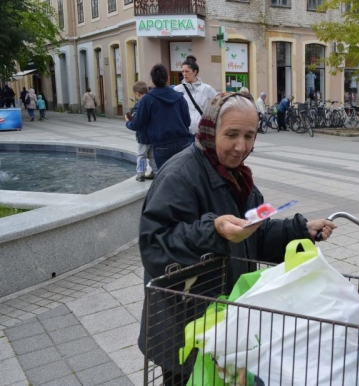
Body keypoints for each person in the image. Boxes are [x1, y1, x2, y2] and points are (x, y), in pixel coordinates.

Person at [136, 91, 337, 384]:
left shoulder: (239, 178)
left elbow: (254, 235)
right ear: (210, 129)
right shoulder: (179, 175)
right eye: (231, 134)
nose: (240, 146)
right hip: (184, 328)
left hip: (224, 324)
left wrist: (299, 230)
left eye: (249, 135)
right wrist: (213, 230)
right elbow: (155, 244)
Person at [125, 63, 192, 169]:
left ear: (152, 79)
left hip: (161, 145)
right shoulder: (180, 97)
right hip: (182, 143)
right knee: (183, 176)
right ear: (167, 78)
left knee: (165, 178)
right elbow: (187, 122)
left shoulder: (148, 100)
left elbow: (138, 124)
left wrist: (128, 123)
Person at [173, 55, 217, 138]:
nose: (184, 74)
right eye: (183, 71)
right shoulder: (177, 90)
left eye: (187, 71)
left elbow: (217, 105)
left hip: (202, 132)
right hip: (184, 132)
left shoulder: (207, 89)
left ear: (195, 72)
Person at [129, 81, 158, 182]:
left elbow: (136, 121)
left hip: (143, 136)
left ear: (137, 94)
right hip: (153, 135)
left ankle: (141, 174)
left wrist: (128, 121)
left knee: (142, 155)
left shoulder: (139, 105)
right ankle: (157, 172)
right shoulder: (153, 101)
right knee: (152, 156)